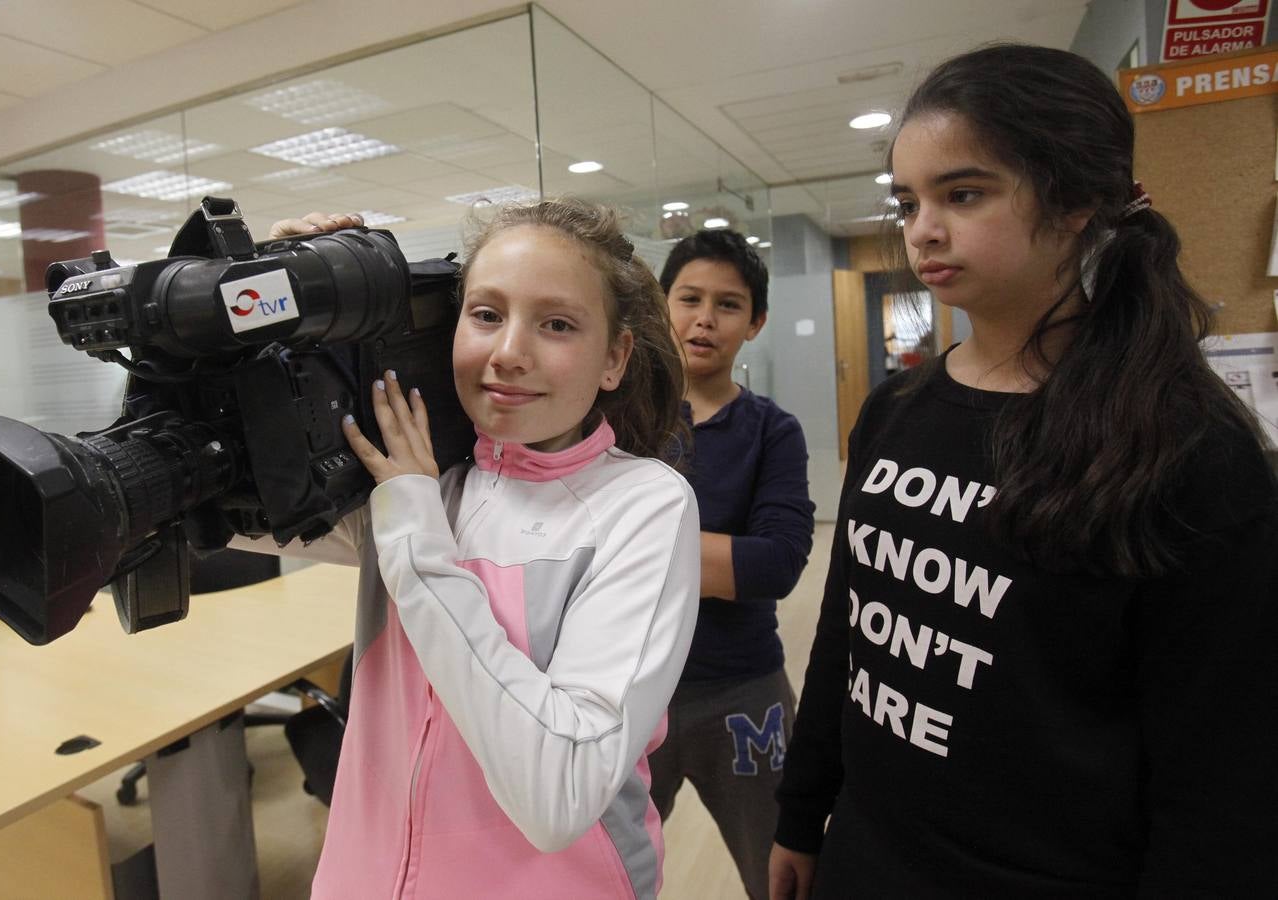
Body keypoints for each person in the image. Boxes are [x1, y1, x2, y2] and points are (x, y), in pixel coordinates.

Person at [769, 43, 1278, 898]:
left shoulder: (1190, 450)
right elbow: (848, 630)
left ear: (1077, 199)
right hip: (868, 854)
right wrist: (802, 807)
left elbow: (1225, 776)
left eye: (963, 193)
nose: (923, 228)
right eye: (908, 201)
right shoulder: (896, 413)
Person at [242, 200, 700, 898]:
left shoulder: (642, 506)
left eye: (556, 324)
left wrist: (416, 535)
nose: (509, 353)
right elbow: (198, 509)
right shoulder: (412, 480)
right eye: (486, 314)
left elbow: (559, 796)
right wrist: (260, 310)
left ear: (615, 358)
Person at [645, 228, 814, 900]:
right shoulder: (616, 422)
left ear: (756, 323)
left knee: (781, 874)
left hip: (744, 694)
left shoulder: (774, 431)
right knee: (598, 874)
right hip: (625, 690)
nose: (703, 319)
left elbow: (775, 564)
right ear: (660, 306)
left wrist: (620, 548)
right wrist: (719, 559)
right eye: (688, 298)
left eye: (728, 305)